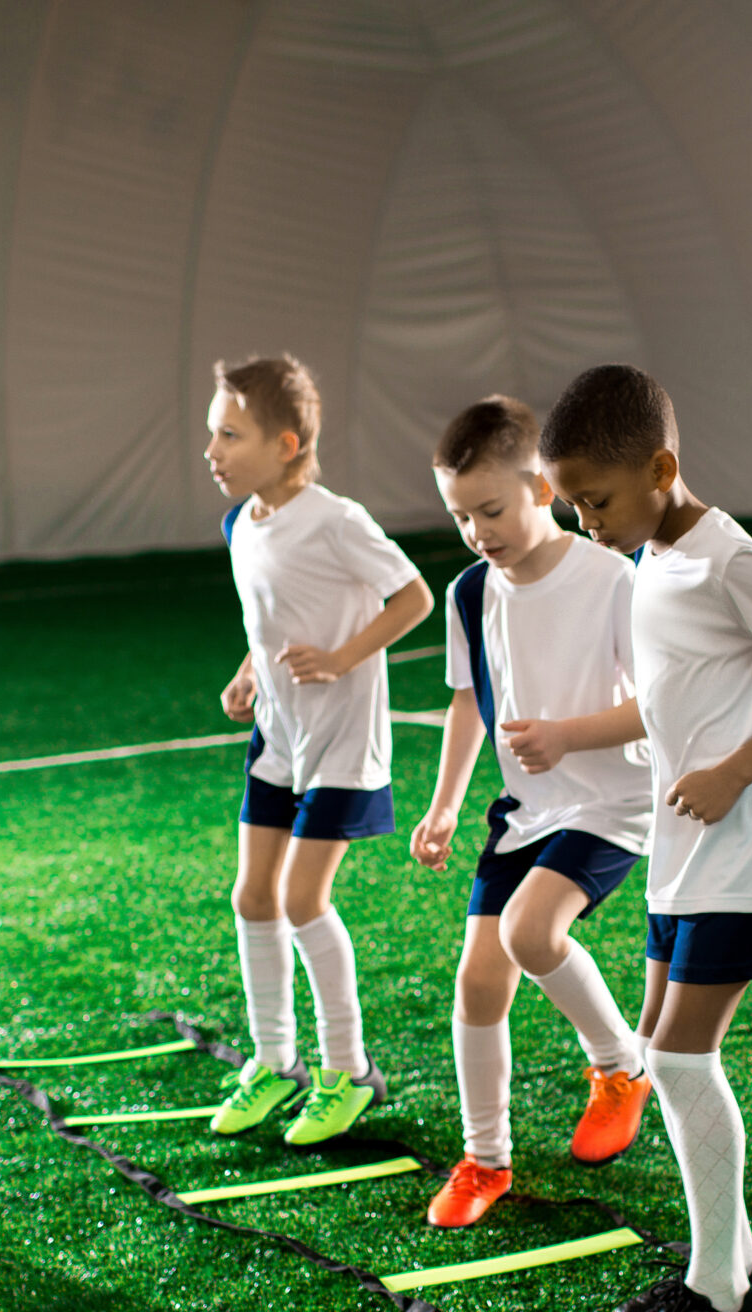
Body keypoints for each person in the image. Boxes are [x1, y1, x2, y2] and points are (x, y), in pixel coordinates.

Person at [539, 366, 752, 1312]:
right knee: (660, 1046)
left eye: (594, 499)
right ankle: (724, 1260)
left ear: (662, 469)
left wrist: (731, 771)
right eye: (571, 501)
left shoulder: (730, 560)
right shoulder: (653, 565)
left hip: (747, 846)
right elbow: (673, 697)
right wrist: (574, 735)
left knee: (677, 1056)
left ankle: (722, 1285)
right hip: (685, 846)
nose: (583, 519)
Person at [409, 398, 653, 1230]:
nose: (477, 530)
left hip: (615, 803)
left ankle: (621, 1066)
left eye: (491, 509)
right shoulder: (471, 591)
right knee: (478, 980)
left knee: (530, 933)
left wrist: (567, 734)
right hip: (527, 810)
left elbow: (665, 706)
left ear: (543, 486)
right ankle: (485, 1160)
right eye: (459, 515)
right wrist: (444, 806)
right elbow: (467, 700)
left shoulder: (614, 579)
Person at [204, 355, 433, 1146]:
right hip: (279, 738)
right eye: (212, 432)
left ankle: (348, 1069)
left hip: (342, 745)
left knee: (303, 898)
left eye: (230, 434)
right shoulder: (242, 523)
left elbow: (413, 596)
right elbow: (264, 622)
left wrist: (342, 657)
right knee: (251, 897)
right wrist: (246, 676)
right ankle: (276, 1060)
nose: (213, 449)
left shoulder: (337, 520)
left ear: (287, 442)